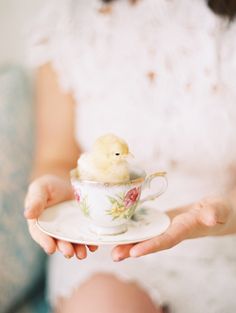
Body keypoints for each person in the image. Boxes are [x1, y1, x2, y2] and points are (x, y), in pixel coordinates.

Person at [24, 0, 236, 312]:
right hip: (105, 248)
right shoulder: (68, 21)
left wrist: (224, 215)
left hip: (220, 239)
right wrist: (53, 193)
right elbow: (56, 158)